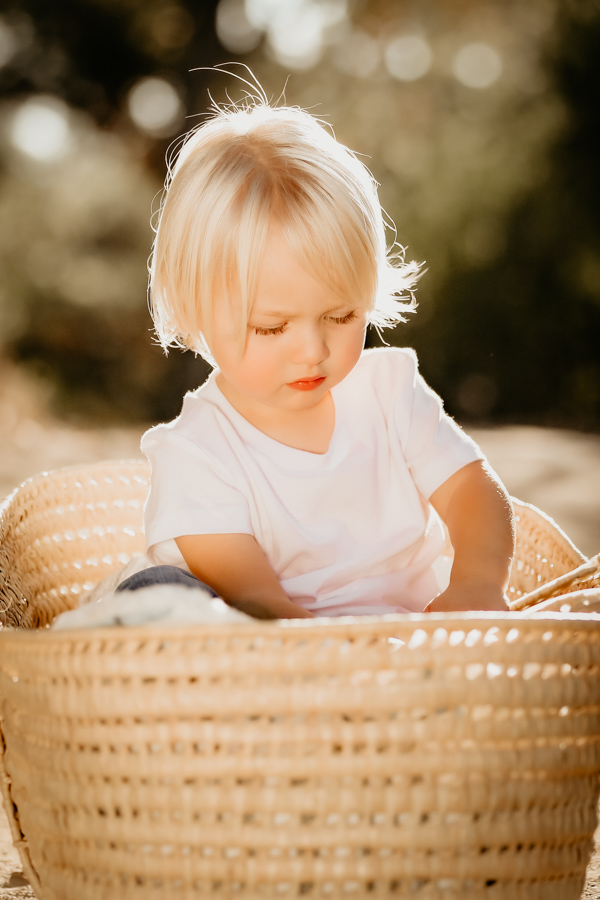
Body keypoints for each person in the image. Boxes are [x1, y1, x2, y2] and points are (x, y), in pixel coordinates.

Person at [120, 86, 514, 620]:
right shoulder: (197, 454)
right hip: (275, 655)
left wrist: (476, 582)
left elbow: (473, 492)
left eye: (341, 316)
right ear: (194, 311)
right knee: (162, 596)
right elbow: (259, 602)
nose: (312, 350)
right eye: (270, 327)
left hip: (409, 649)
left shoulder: (388, 394)